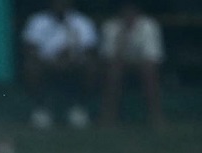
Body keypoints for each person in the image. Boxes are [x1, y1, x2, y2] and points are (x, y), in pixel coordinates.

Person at [21, 0, 98, 129]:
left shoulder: (82, 22)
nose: (60, 4)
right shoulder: (38, 21)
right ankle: (41, 110)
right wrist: (51, 60)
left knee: (91, 67)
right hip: (46, 63)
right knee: (31, 67)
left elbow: (89, 50)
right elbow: (30, 49)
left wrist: (72, 59)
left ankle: (79, 109)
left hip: (74, 64)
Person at [99, 2, 165, 127]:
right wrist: (122, 38)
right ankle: (109, 116)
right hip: (118, 65)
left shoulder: (149, 26)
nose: (128, 14)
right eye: (125, 10)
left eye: (131, 10)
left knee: (149, 72)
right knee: (113, 73)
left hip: (143, 65)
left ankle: (156, 116)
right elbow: (109, 58)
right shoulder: (110, 27)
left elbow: (152, 58)